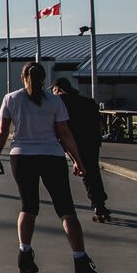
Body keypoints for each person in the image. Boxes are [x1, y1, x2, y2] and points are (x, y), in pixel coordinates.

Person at [0, 62, 107, 273]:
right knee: (66, 209)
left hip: (22, 158)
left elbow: (2, 131)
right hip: (52, 157)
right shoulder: (55, 100)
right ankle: (81, 262)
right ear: (45, 78)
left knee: (28, 207)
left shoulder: (11, 98)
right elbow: (64, 133)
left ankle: (25, 256)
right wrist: (78, 160)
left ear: (22, 76)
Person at [53, 77, 110, 223]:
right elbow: (98, 122)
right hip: (92, 142)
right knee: (93, 172)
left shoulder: (61, 103)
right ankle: (100, 203)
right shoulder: (88, 102)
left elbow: (60, 126)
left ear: (58, 89)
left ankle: (97, 205)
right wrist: (98, 139)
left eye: (53, 89)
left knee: (85, 173)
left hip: (74, 143)